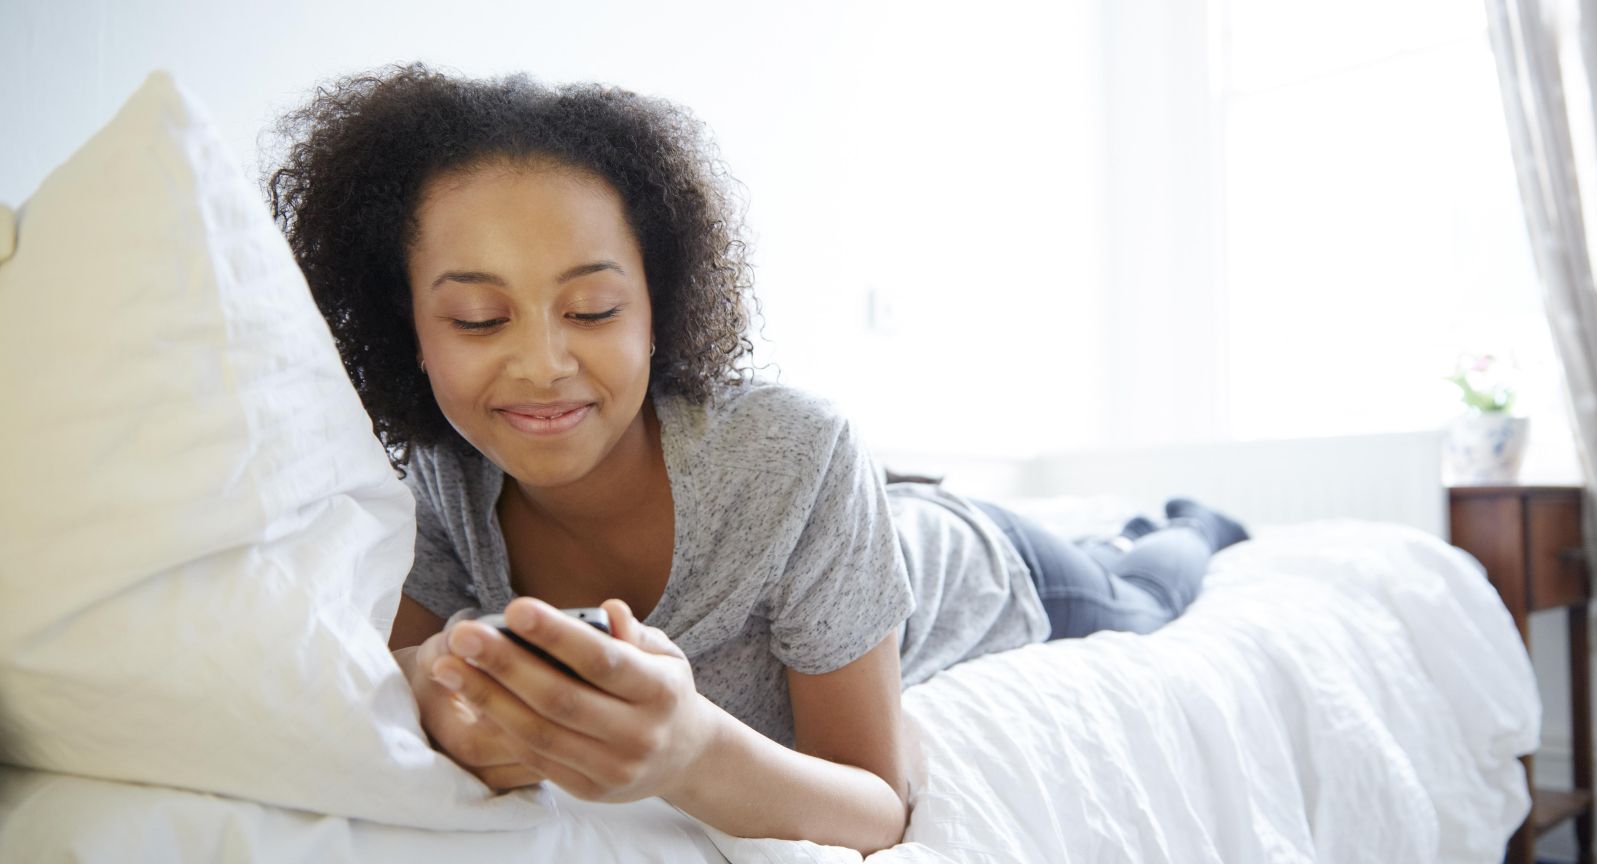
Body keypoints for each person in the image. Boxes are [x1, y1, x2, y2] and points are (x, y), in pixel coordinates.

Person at [266, 63, 1249, 855]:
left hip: (985, 567)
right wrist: (439, 681)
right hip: (867, 530)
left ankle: (1183, 522)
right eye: (479, 317)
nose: (541, 364)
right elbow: (391, 673)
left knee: (1148, 583)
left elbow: (881, 806)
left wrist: (688, 751)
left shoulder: (794, 451)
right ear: (410, 330)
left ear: (659, 310)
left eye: (594, 309)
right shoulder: (446, 472)